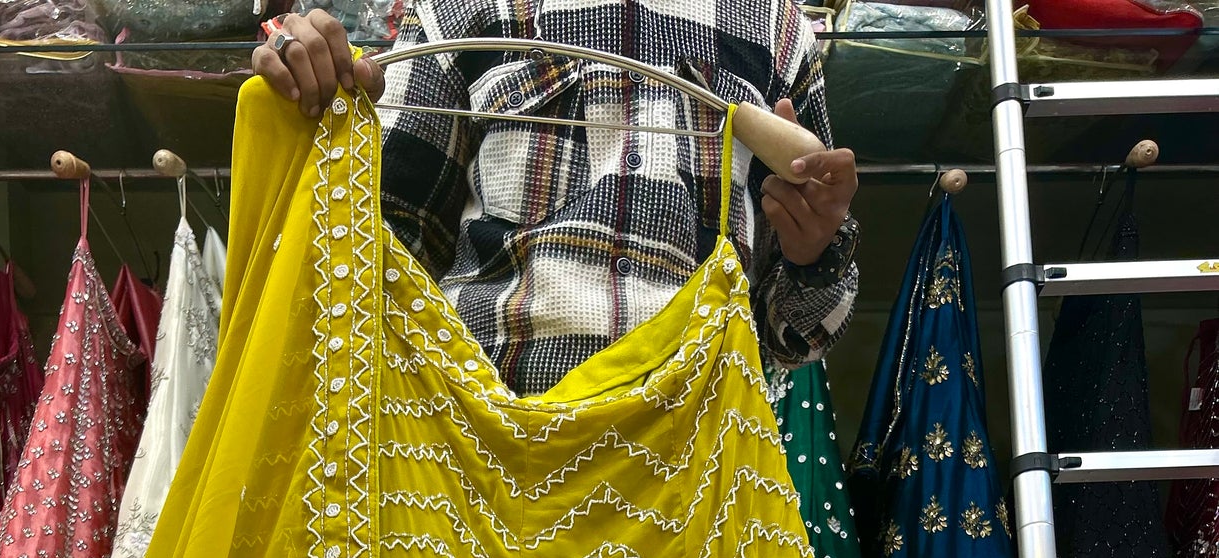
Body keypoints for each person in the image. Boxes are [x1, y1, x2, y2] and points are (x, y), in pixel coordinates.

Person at [253, 0, 859, 396]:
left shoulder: (778, 30)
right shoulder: (464, 8)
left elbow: (793, 336)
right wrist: (307, 110)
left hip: (697, 460)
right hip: (487, 442)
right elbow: (372, 258)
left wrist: (815, 256)